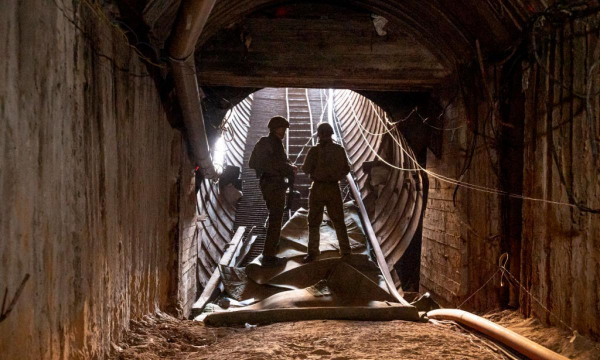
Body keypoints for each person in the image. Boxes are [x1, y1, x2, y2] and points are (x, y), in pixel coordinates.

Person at [249, 116, 298, 267]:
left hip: (269, 184)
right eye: (282, 128)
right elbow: (273, 164)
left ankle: (271, 249)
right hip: (274, 184)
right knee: (276, 218)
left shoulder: (268, 143)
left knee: (275, 217)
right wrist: (288, 168)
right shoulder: (271, 144)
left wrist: (287, 165)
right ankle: (269, 256)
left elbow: (256, 162)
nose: (284, 132)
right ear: (275, 129)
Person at [301, 122, 352, 263]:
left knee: (313, 222)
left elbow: (305, 169)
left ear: (318, 135)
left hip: (318, 188)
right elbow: (346, 169)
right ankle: (346, 251)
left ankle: (312, 252)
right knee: (339, 220)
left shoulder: (314, 151)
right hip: (333, 188)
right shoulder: (339, 150)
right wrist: (336, 175)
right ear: (331, 134)